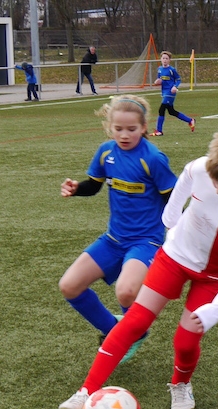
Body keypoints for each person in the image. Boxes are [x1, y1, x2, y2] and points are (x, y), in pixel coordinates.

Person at [58, 127, 218, 409]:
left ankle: (181, 384)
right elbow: (186, 177)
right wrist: (171, 219)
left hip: (214, 277)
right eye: (215, 183)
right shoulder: (201, 168)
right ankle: (85, 392)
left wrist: (216, 310)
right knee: (134, 321)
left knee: (185, 340)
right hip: (174, 258)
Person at [58, 94, 178, 363]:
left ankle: (133, 334)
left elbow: (173, 199)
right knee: (69, 286)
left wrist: (178, 235)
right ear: (109, 127)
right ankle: (116, 331)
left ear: (144, 127)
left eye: (132, 129)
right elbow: (94, 186)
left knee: (126, 291)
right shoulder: (106, 152)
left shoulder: (153, 158)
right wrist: (76, 188)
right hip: (113, 239)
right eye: (118, 129)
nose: (124, 135)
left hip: (146, 241)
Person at [150, 51, 196, 136]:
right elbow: (159, 79)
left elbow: (178, 79)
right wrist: (157, 82)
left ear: (169, 60)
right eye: (163, 58)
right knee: (171, 111)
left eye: (166, 58)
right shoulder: (160, 69)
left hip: (170, 92)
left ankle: (159, 131)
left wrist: (175, 87)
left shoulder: (172, 70)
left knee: (161, 109)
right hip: (164, 92)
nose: (165, 60)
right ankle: (190, 120)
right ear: (161, 59)